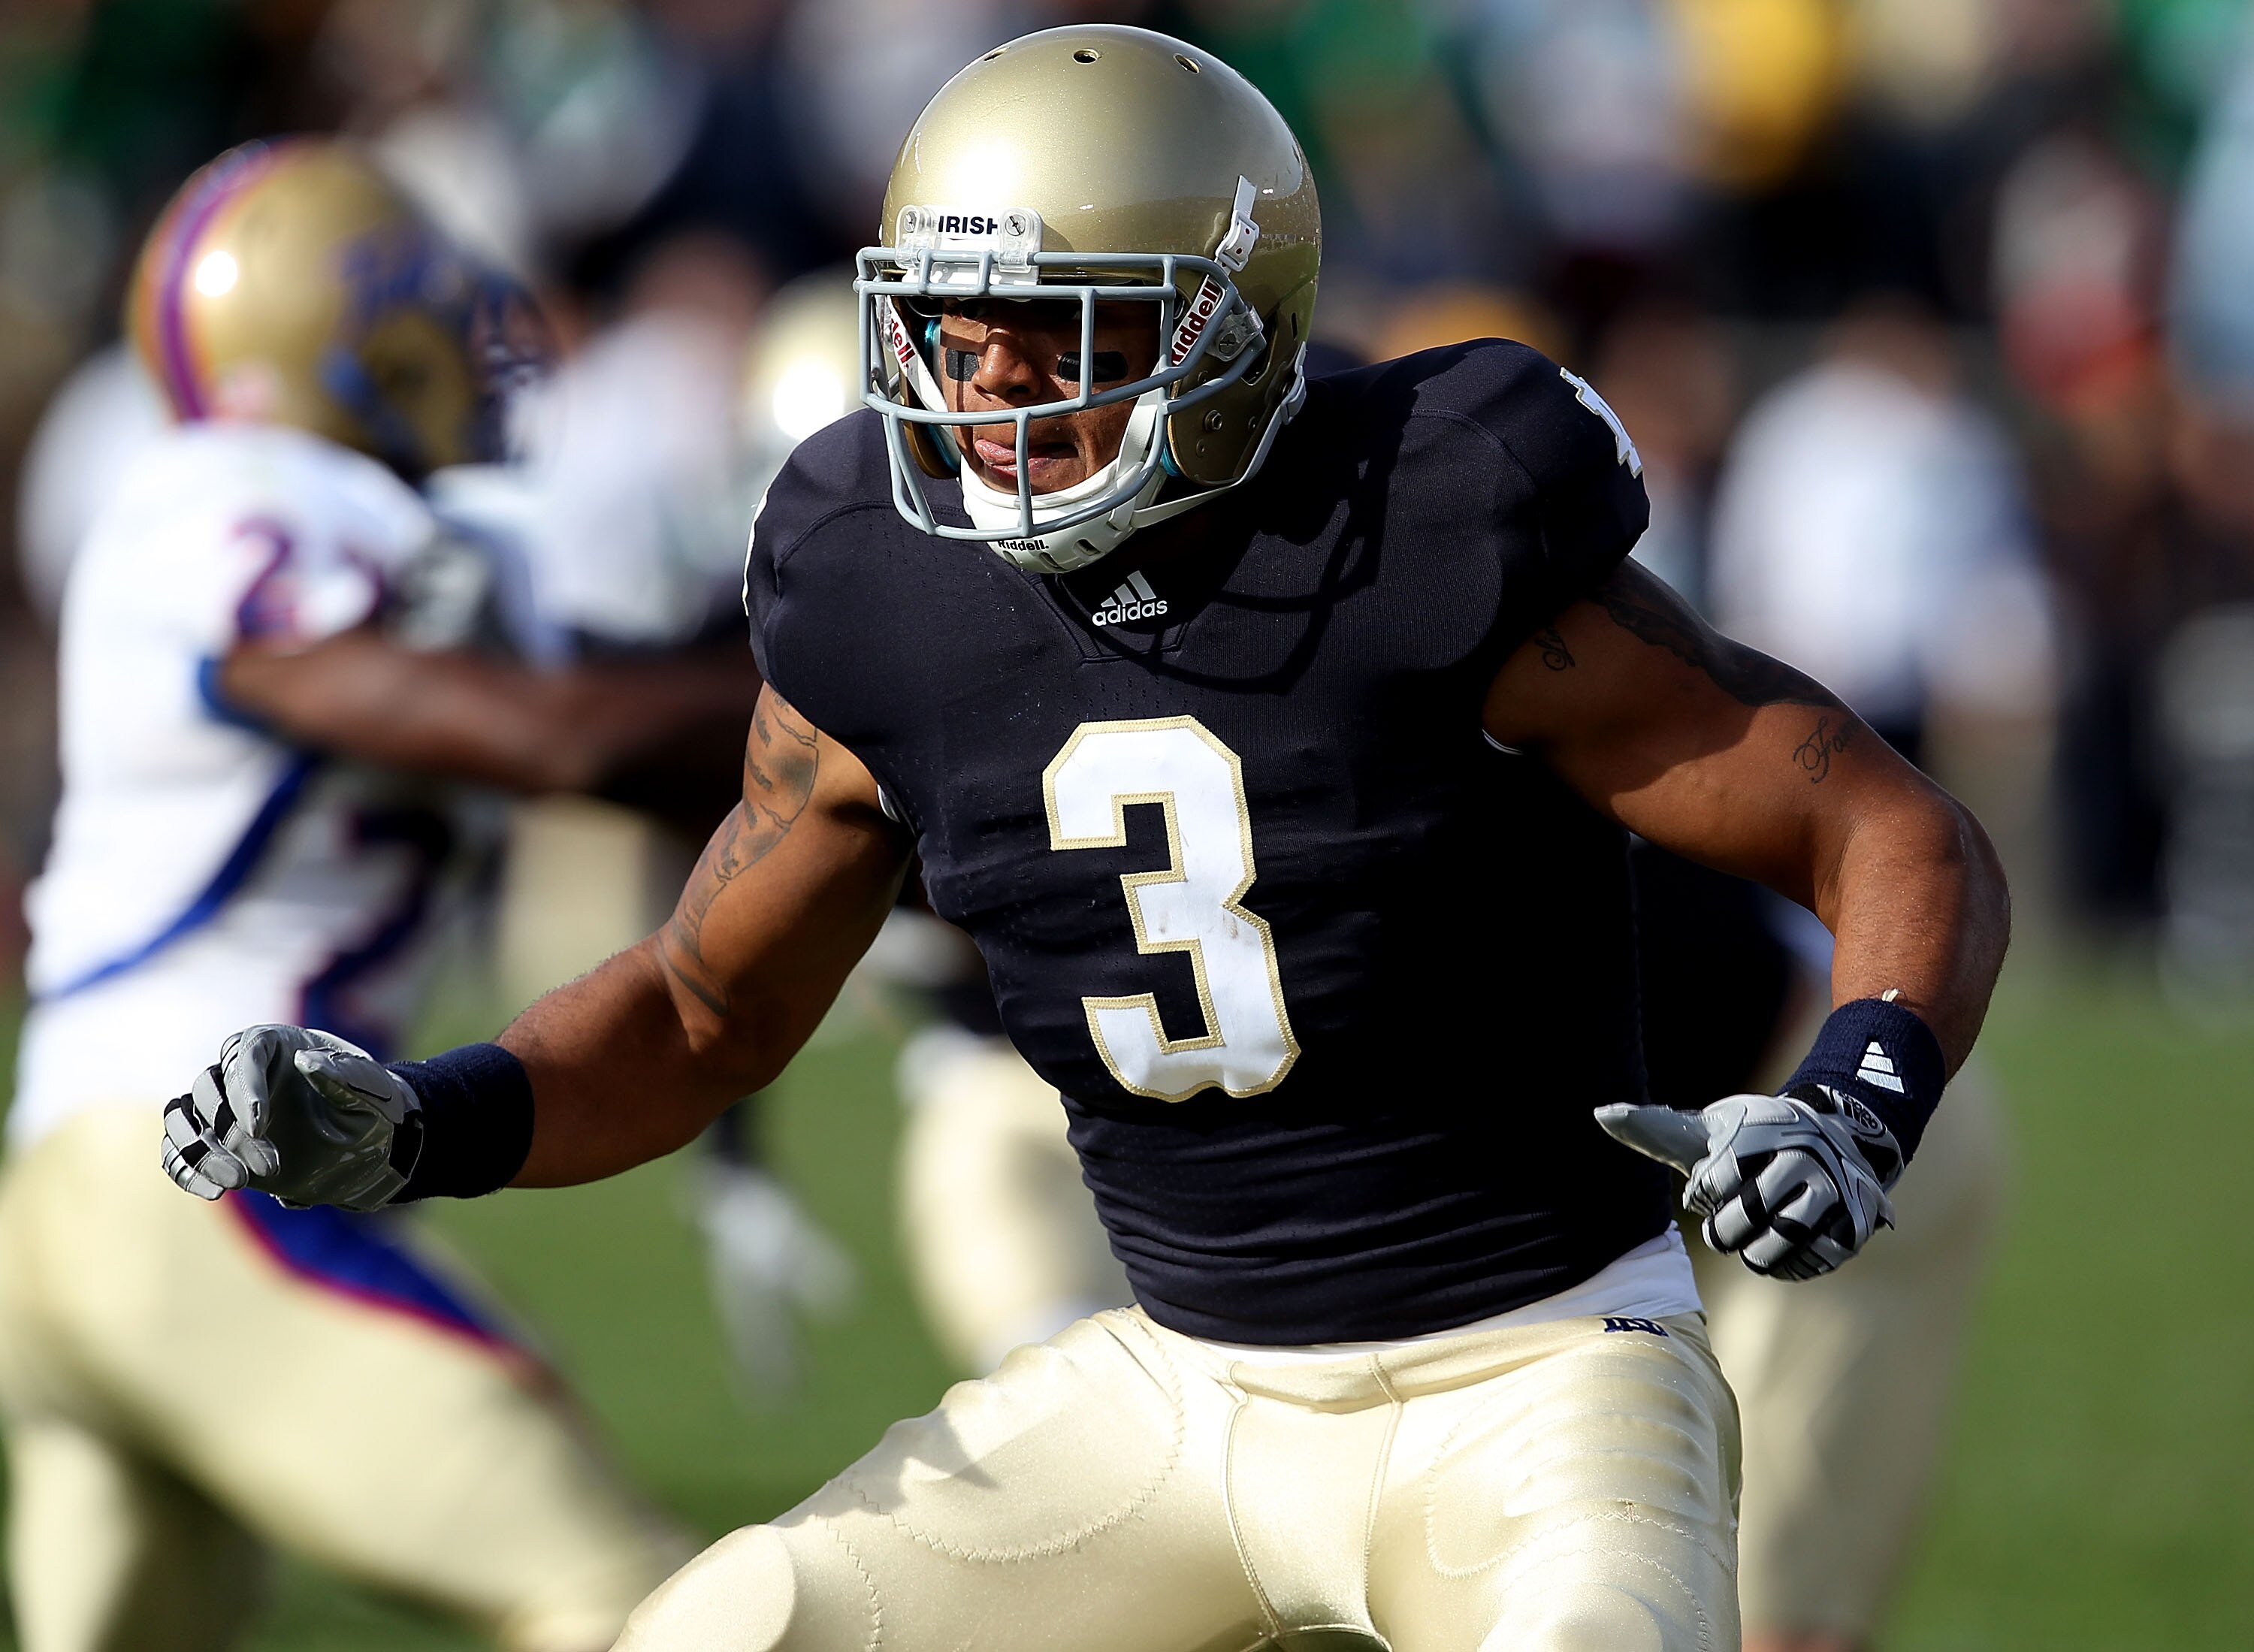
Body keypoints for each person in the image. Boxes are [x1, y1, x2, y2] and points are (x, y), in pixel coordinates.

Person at [162, 29, 2011, 1652]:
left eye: (1053, 332)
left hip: (1533, 1369)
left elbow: (1880, 822)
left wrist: (1855, 1096)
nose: (987, 392)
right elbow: (703, 1009)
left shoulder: (1427, 529)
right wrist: (426, 1119)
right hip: (1181, 1383)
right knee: (726, 1623)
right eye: (950, 334)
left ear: (1229, 326)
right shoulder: (881, 595)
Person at [0, 139, 748, 1652]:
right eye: (429, 315)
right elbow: (562, 735)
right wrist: (867, 691)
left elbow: (642, 714)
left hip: (72, 1194)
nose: (479, 348)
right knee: (629, 1600)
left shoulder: (405, 538)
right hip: (205, 1169)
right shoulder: (233, 500)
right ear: (333, 345)